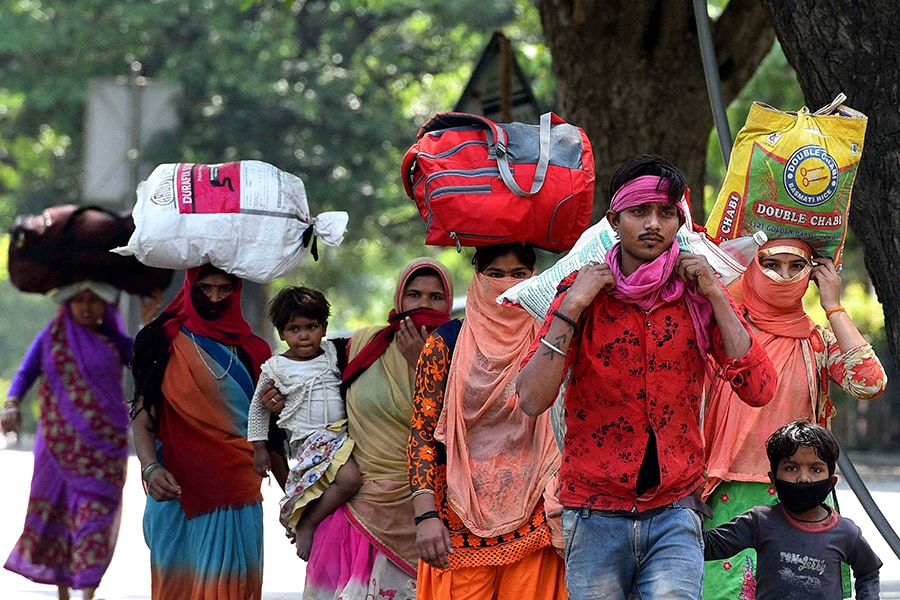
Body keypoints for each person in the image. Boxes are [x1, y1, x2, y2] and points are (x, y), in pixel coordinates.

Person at [516, 155, 778, 600]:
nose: (653, 223)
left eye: (666, 212)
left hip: (675, 509)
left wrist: (715, 292)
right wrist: (573, 306)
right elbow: (531, 398)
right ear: (614, 220)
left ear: (680, 220)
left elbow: (759, 388)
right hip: (593, 512)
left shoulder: (698, 294)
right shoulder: (582, 292)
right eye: (639, 212)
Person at [701, 237, 887, 599]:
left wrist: (833, 306)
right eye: (771, 264)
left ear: (812, 273)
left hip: (801, 495)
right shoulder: (720, 334)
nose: (783, 276)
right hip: (723, 495)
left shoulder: (815, 343)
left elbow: (870, 382)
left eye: (796, 266)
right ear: (752, 268)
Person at [407, 243, 567, 600]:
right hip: (456, 521)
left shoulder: (552, 339)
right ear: (478, 278)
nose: (507, 284)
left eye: (519, 274)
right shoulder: (445, 344)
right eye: (495, 273)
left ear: (534, 278)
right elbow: (421, 434)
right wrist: (424, 516)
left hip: (536, 516)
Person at [300, 257, 454, 600]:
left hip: (428, 516)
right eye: (414, 295)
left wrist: (422, 363)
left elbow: (455, 428)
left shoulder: (461, 351)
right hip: (356, 513)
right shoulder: (364, 345)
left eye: (435, 297)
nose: (424, 305)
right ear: (399, 299)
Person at [130, 265, 271, 599]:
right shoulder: (161, 340)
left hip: (237, 491)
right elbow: (143, 418)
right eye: (204, 288)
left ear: (237, 290)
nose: (214, 297)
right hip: (175, 493)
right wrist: (151, 468)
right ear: (189, 287)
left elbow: (271, 432)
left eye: (224, 289)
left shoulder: (255, 351)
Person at [1, 281, 135, 600]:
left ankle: (87, 591)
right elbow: (24, 374)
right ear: (67, 303)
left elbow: (144, 362)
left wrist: (150, 318)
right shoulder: (52, 338)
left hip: (104, 450)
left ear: (106, 305)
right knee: (60, 519)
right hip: (57, 448)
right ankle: (63, 591)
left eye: (93, 300)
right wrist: (11, 404)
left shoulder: (115, 341)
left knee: (95, 518)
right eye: (79, 300)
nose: (86, 307)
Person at [704, 420, 882, 600]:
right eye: (791, 468)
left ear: (830, 483)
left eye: (815, 469)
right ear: (773, 479)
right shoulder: (759, 521)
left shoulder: (845, 532)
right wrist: (693, 501)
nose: (803, 478)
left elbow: (869, 572)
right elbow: (705, 546)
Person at [247, 286, 362, 561]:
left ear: (323, 327)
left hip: (341, 437)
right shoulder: (276, 368)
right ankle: (307, 523)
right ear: (281, 333)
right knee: (350, 480)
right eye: (294, 329)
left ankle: (314, 522)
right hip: (311, 442)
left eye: (311, 326)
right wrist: (260, 448)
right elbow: (258, 410)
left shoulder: (333, 355)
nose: (303, 335)